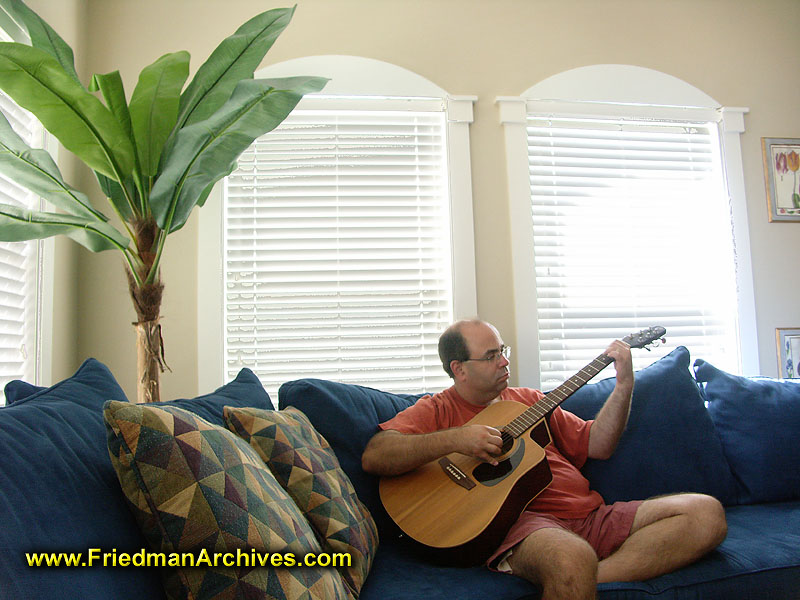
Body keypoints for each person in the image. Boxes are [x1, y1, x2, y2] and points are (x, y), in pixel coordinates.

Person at [362, 319, 727, 600]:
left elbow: (598, 444)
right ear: (459, 369)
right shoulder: (437, 409)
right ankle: (575, 571)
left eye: (502, 350)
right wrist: (458, 438)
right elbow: (377, 456)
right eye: (491, 356)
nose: (504, 361)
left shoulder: (531, 400)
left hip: (589, 516)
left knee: (705, 513)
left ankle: (588, 576)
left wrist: (624, 385)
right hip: (525, 526)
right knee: (570, 558)